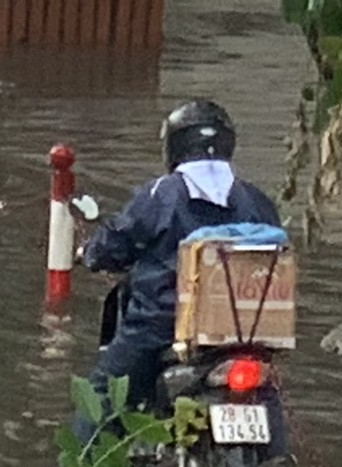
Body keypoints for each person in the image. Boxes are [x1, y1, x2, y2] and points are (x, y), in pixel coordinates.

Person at [75, 100, 281, 438]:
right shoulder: (256, 200)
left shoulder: (162, 194)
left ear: (174, 145)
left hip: (162, 326)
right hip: (244, 328)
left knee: (102, 394)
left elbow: (118, 239)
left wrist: (90, 253)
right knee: (267, 394)